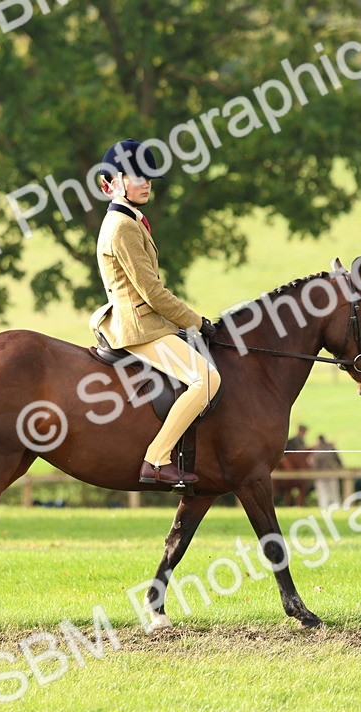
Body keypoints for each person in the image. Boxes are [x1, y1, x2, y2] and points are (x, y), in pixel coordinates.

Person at [90, 138, 221, 486]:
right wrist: (198, 323)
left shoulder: (132, 220)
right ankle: (157, 459)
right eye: (137, 176)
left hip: (149, 321)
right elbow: (152, 293)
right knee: (206, 379)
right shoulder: (122, 228)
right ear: (114, 183)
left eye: (149, 177)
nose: (146, 183)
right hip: (139, 327)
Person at [312, 434, 343, 509]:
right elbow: (338, 460)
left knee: (323, 495)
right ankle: (337, 508)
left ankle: (324, 510)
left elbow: (315, 464)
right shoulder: (330, 448)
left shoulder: (316, 449)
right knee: (335, 494)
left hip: (320, 476)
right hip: (331, 473)